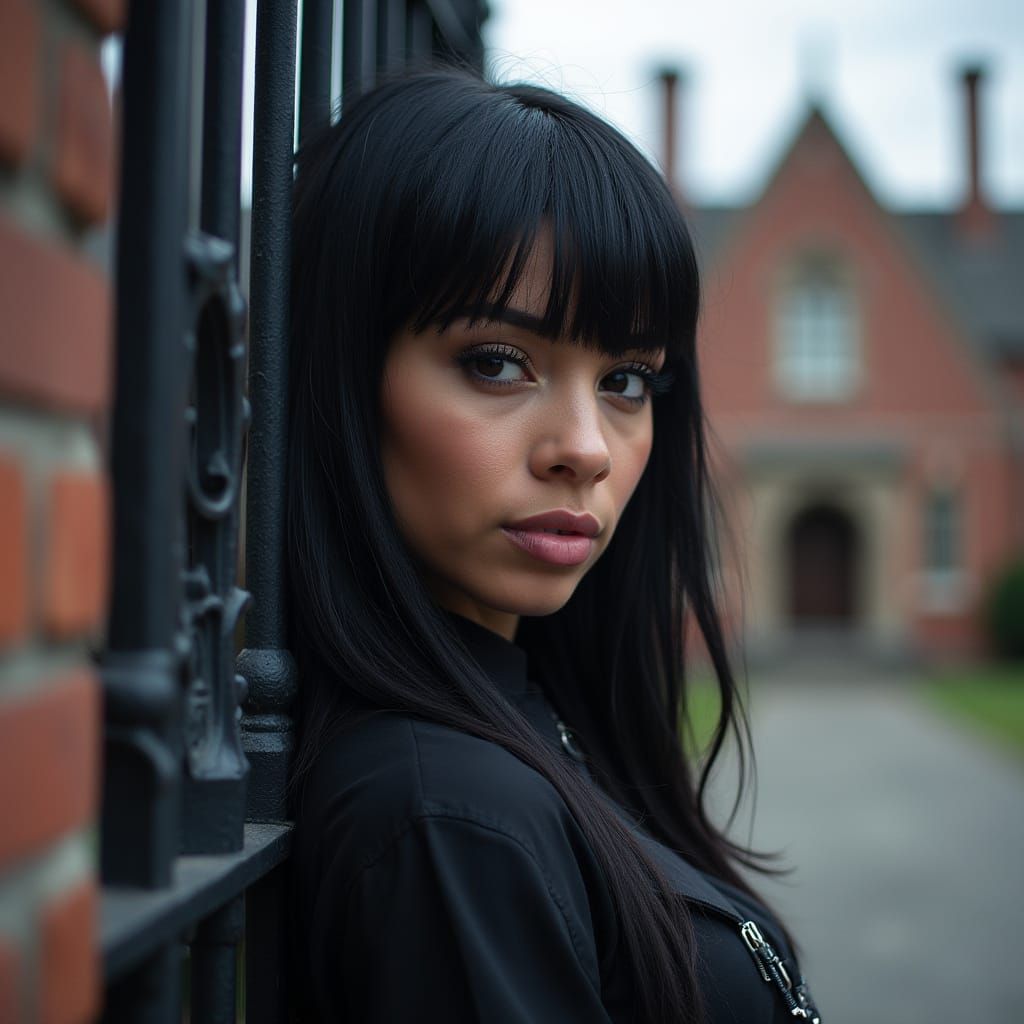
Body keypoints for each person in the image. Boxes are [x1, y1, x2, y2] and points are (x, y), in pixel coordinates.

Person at [284, 68, 821, 1024]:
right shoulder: (447, 816)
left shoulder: (530, 709)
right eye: (498, 362)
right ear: (344, 373)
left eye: (627, 380)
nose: (585, 448)